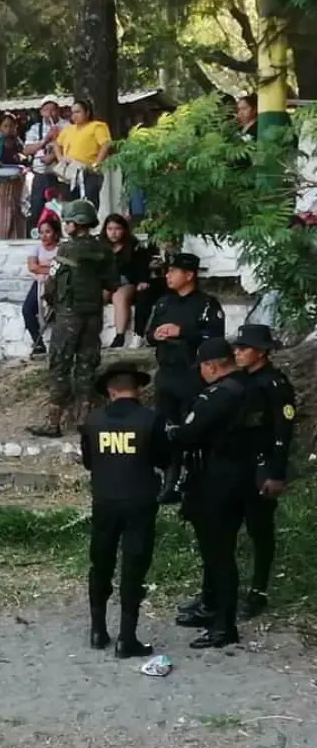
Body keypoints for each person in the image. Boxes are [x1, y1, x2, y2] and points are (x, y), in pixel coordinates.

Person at [172, 339, 260, 649]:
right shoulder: (249, 386)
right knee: (217, 552)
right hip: (238, 478)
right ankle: (211, 608)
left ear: (212, 366)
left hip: (216, 481)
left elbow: (189, 434)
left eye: (204, 369)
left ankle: (223, 625)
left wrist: (171, 431)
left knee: (218, 555)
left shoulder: (219, 394)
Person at [80, 361, 170, 658]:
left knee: (100, 565)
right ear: (138, 388)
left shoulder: (93, 421)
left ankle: (97, 631)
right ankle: (126, 639)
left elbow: (89, 462)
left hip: (104, 502)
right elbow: (162, 458)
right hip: (140, 503)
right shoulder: (151, 419)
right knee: (133, 569)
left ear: (109, 390)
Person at [28, 200, 118, 438]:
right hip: (93, 315)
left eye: (67, 221)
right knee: (86, 364)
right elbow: (112, 283)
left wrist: (50, 300)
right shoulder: (103, 249)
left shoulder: (67, 250)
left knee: (60, 364)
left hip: (69, 315)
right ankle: (84, 420)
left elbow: (52, 282)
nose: (65, 225)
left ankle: (53, 422)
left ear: (77, 223)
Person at [144, 252, 226, 503]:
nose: (167, 275)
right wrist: (155, 335)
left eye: (173, 271)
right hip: (166, 374)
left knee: (192, 430)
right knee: (165, 429)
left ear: (188, 275)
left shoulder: (206, 304)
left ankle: (194, 481)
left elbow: (215, 338)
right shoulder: (163, 303)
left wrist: (183, 331)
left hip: (192, 375)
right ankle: (168, 483)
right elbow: (148, 334)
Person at [232, 324, 295, 619]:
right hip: (238, 463)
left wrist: (276, 473)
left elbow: (283, 433)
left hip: (262, 465)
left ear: (261, 352)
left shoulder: (275, 385)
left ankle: (258, 591)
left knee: (260, 530)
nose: (238, 353)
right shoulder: (240, 380)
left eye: (244, 348)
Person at [102, 214, 155, 348]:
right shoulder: (100, 247)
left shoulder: (134, 246)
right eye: (110, 229)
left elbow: (142, 267)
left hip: (127, 283)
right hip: (106, 283)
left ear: (124, 230)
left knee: (119, 297)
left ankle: (119, 336)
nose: (113, 233)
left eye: (117, 228)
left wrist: (143, 280)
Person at [52, 99, 112, 206]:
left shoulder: (97, 126)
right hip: (69, 172)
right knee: (69, 204)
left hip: (88, 172)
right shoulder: (68, 129)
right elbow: (56, 144)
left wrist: (96, 164)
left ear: (87, 112)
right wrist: (60, 158)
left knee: (88, 203)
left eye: (78, 112)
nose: (74, 115)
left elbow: (105, 144)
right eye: (72, 112)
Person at [23, 96, 67, 230]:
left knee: (60, 209)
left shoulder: (67, 126)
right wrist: (45, 140)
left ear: (58, 111)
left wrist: (53, 156)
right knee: (36, 208)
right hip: (40, 174)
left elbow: (70, 149)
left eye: (53, 110)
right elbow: (26, 150)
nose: (50, 113)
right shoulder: (36, 128)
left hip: (60, 176)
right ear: (41, 112)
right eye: (46, 110)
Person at [22, 217, 61, 356]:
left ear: (55, 234)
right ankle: (38, 344)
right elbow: (33, 267)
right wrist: (51, 268)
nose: (44, 236)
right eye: (41, 232)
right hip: (39, 283)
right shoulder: (36, 248)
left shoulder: (61, 249)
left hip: (57, 284)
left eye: (48, 232)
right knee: (27, 309)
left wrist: (42, 267)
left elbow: (61, 269)